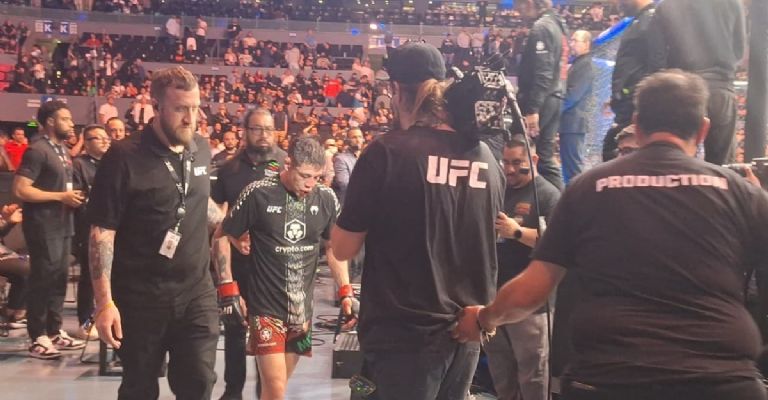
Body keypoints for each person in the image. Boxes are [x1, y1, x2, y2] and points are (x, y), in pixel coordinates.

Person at [453, 69, 768, 400]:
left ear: (637, 123)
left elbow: (534, 287)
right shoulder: (738, 191)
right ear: (703, 129)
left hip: (611, 378)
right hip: (722, 381)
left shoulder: (589, 188)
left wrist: (484, 318)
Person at [330, 42, 505, 399]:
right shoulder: (487, 158)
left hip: (402, 339)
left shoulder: (386, 152)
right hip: (465, 335)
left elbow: (343, 248)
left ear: (397, 91)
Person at [87, 66, 223, 399]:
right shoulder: (123, 156)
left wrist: (228, 226)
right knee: (140, 388)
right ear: (157, 107)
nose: (190, 119)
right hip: (140, 297)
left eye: (195, 108)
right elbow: (102, 233)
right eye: (180, 109)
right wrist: (104, 303)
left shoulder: (200, 148)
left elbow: (196, 200)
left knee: (199, 381)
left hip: (196, 292)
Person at [214, 135, 351, 400]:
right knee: (276, 389)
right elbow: (220, 235)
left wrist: (345, 290)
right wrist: (227, 287)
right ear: (288, 164)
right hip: (265, 308)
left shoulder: (325, 198)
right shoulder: (258, 193)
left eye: (317, 177)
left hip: (301, 311)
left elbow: (334, 248)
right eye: (305, 176)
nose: (310, 184)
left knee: (276, 389)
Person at [211, 108, 287, 400]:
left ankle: (264, 391)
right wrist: (232, 235)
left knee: (268, 331)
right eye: (257, 129)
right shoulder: (229, 169)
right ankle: (233, 390)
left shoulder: (286, 164)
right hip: (239, 262)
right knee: (234, 326)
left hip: (275, 265)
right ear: (245, 131)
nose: (264, 135)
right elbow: (217, 216)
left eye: (269, 129)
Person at [485, 137, 560, 400]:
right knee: (501, 371)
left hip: (531, 305)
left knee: (533, 377)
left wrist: (517, 232)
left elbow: (556, 243)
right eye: (505, 162)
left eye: (517, 162)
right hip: (495, 298)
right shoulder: (501, 189)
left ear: (534, 160)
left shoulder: (548, 195)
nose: (510, 169)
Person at [13, 100, 86, 360]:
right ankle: (37, 337)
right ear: (51, 122)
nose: (71, 123)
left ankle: (54, 331)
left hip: (63, 223)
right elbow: (21, 189)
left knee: (59, 278)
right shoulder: (37, 150)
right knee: (42, 279)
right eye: (65, 119)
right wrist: (60, 197)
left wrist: (70, 198)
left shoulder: (62, 150)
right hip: (43, 225)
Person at [652, 0, 746, 165]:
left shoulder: (667, 5)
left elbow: (657, 57)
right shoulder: (732, 2)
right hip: (720, 86)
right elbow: (739, 49)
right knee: (722, 165)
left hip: (682, 88)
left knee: (677, 159)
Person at [516, 0, 569, 191]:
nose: (518, 11)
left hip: (542, 102)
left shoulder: (542, 27)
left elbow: (543, 73)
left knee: (520, 151)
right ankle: (561, 201)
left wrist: (533, 109)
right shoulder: (558, 24)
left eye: (519, 5)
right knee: (545, 157)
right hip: (555, 96)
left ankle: (520, 200)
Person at [601, 0, 664, 161]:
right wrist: (617, 96)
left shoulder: (652, 19)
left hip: (637, 105)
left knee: (615, 150)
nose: (618, 3)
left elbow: (657, 65)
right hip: (629, 103)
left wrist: (642, 102)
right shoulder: (640, 20)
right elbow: (633, 65)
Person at [71, 124, 111, 340]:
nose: (105, 141)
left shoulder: (112, 162)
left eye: (106, 137)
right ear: (86, 143)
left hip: (113, 226)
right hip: (88, 226)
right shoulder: (79, 164)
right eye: (98, 138)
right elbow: (77, 197)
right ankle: (86, 322)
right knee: (89, 276)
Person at [560, 30, 594, 185]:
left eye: (575, 41)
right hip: (571, 123)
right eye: (571, 40)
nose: (571, 44)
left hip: (574, 123)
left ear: (586, 44)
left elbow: (572, 96)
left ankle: (577, 196)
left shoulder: (585, 65)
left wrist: (554, 111)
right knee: (570, 166)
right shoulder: (579, 63)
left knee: (573, 167)